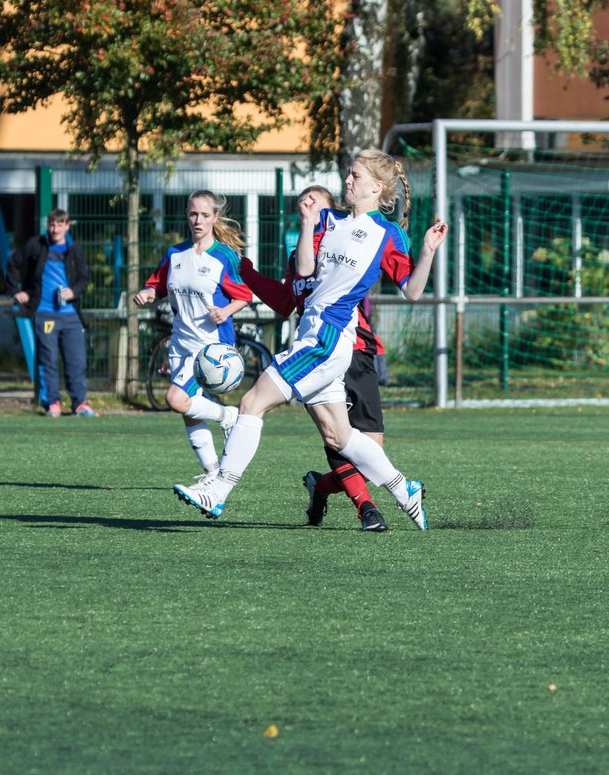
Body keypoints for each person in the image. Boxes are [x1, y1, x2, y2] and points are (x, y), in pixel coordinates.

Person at [174, 149, 447, 527]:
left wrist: (429, 251)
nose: (347, 181)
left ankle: (218, 489)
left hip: (327, 338)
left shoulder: (388, 234)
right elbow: (303, 269)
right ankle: (404, 489)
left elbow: (413, 291)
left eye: (354, 176)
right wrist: (307, 223)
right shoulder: (328, 220)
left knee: (252, 402)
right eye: (348, 175)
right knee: (339, 436)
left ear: (376, 187)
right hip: (312, 332)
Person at [238, 185, 393, 532]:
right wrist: (247, 273)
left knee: (368, 453)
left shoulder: (354, 240)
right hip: (315, 349)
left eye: (316, 205)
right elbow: (284, 302)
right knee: (335, 435)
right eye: (302, 207)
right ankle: (366, 508)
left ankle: (319, 486)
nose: (309, 211)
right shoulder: (301, 257)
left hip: (359, 351)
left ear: (334, 212)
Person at [133, 190, 251, 480]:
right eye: (193, 214)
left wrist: (226, 311)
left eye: (204, 215)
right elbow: (159, 286)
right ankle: (212, 472)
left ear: (215, 218)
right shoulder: (175, 254)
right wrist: (148, 293)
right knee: (189, 411)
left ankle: (229, 417)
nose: (197, 220)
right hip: (181, 343)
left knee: (175, 399)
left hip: (210, 346)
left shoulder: (224, 257)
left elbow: (244, 295)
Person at [6, 209, 95, 417]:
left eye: (60, 224)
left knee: (77, 361)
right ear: (48, 226)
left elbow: (84, 278)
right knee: (48, 360)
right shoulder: (35, 246)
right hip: (45, 313)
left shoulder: (75, 250)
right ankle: (52, 403)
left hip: (71, 316)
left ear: (67, 227)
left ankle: (80, 403)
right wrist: (16, 291)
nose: (55, 229)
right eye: (52, 225)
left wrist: (73, 291)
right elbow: (13, 265)